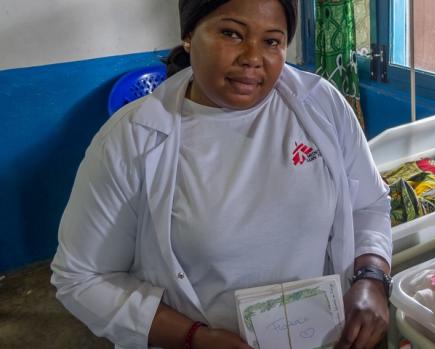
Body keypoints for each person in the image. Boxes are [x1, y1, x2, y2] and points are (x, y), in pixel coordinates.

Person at [50, 0, 393, 348]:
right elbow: (82, 277)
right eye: (232, 33)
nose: (252, 57)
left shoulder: (320, 105)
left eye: (272, 41)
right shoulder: (132, 138)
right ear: (188, 34)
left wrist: (372, 278)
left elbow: (369, 204)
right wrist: (192, 337)